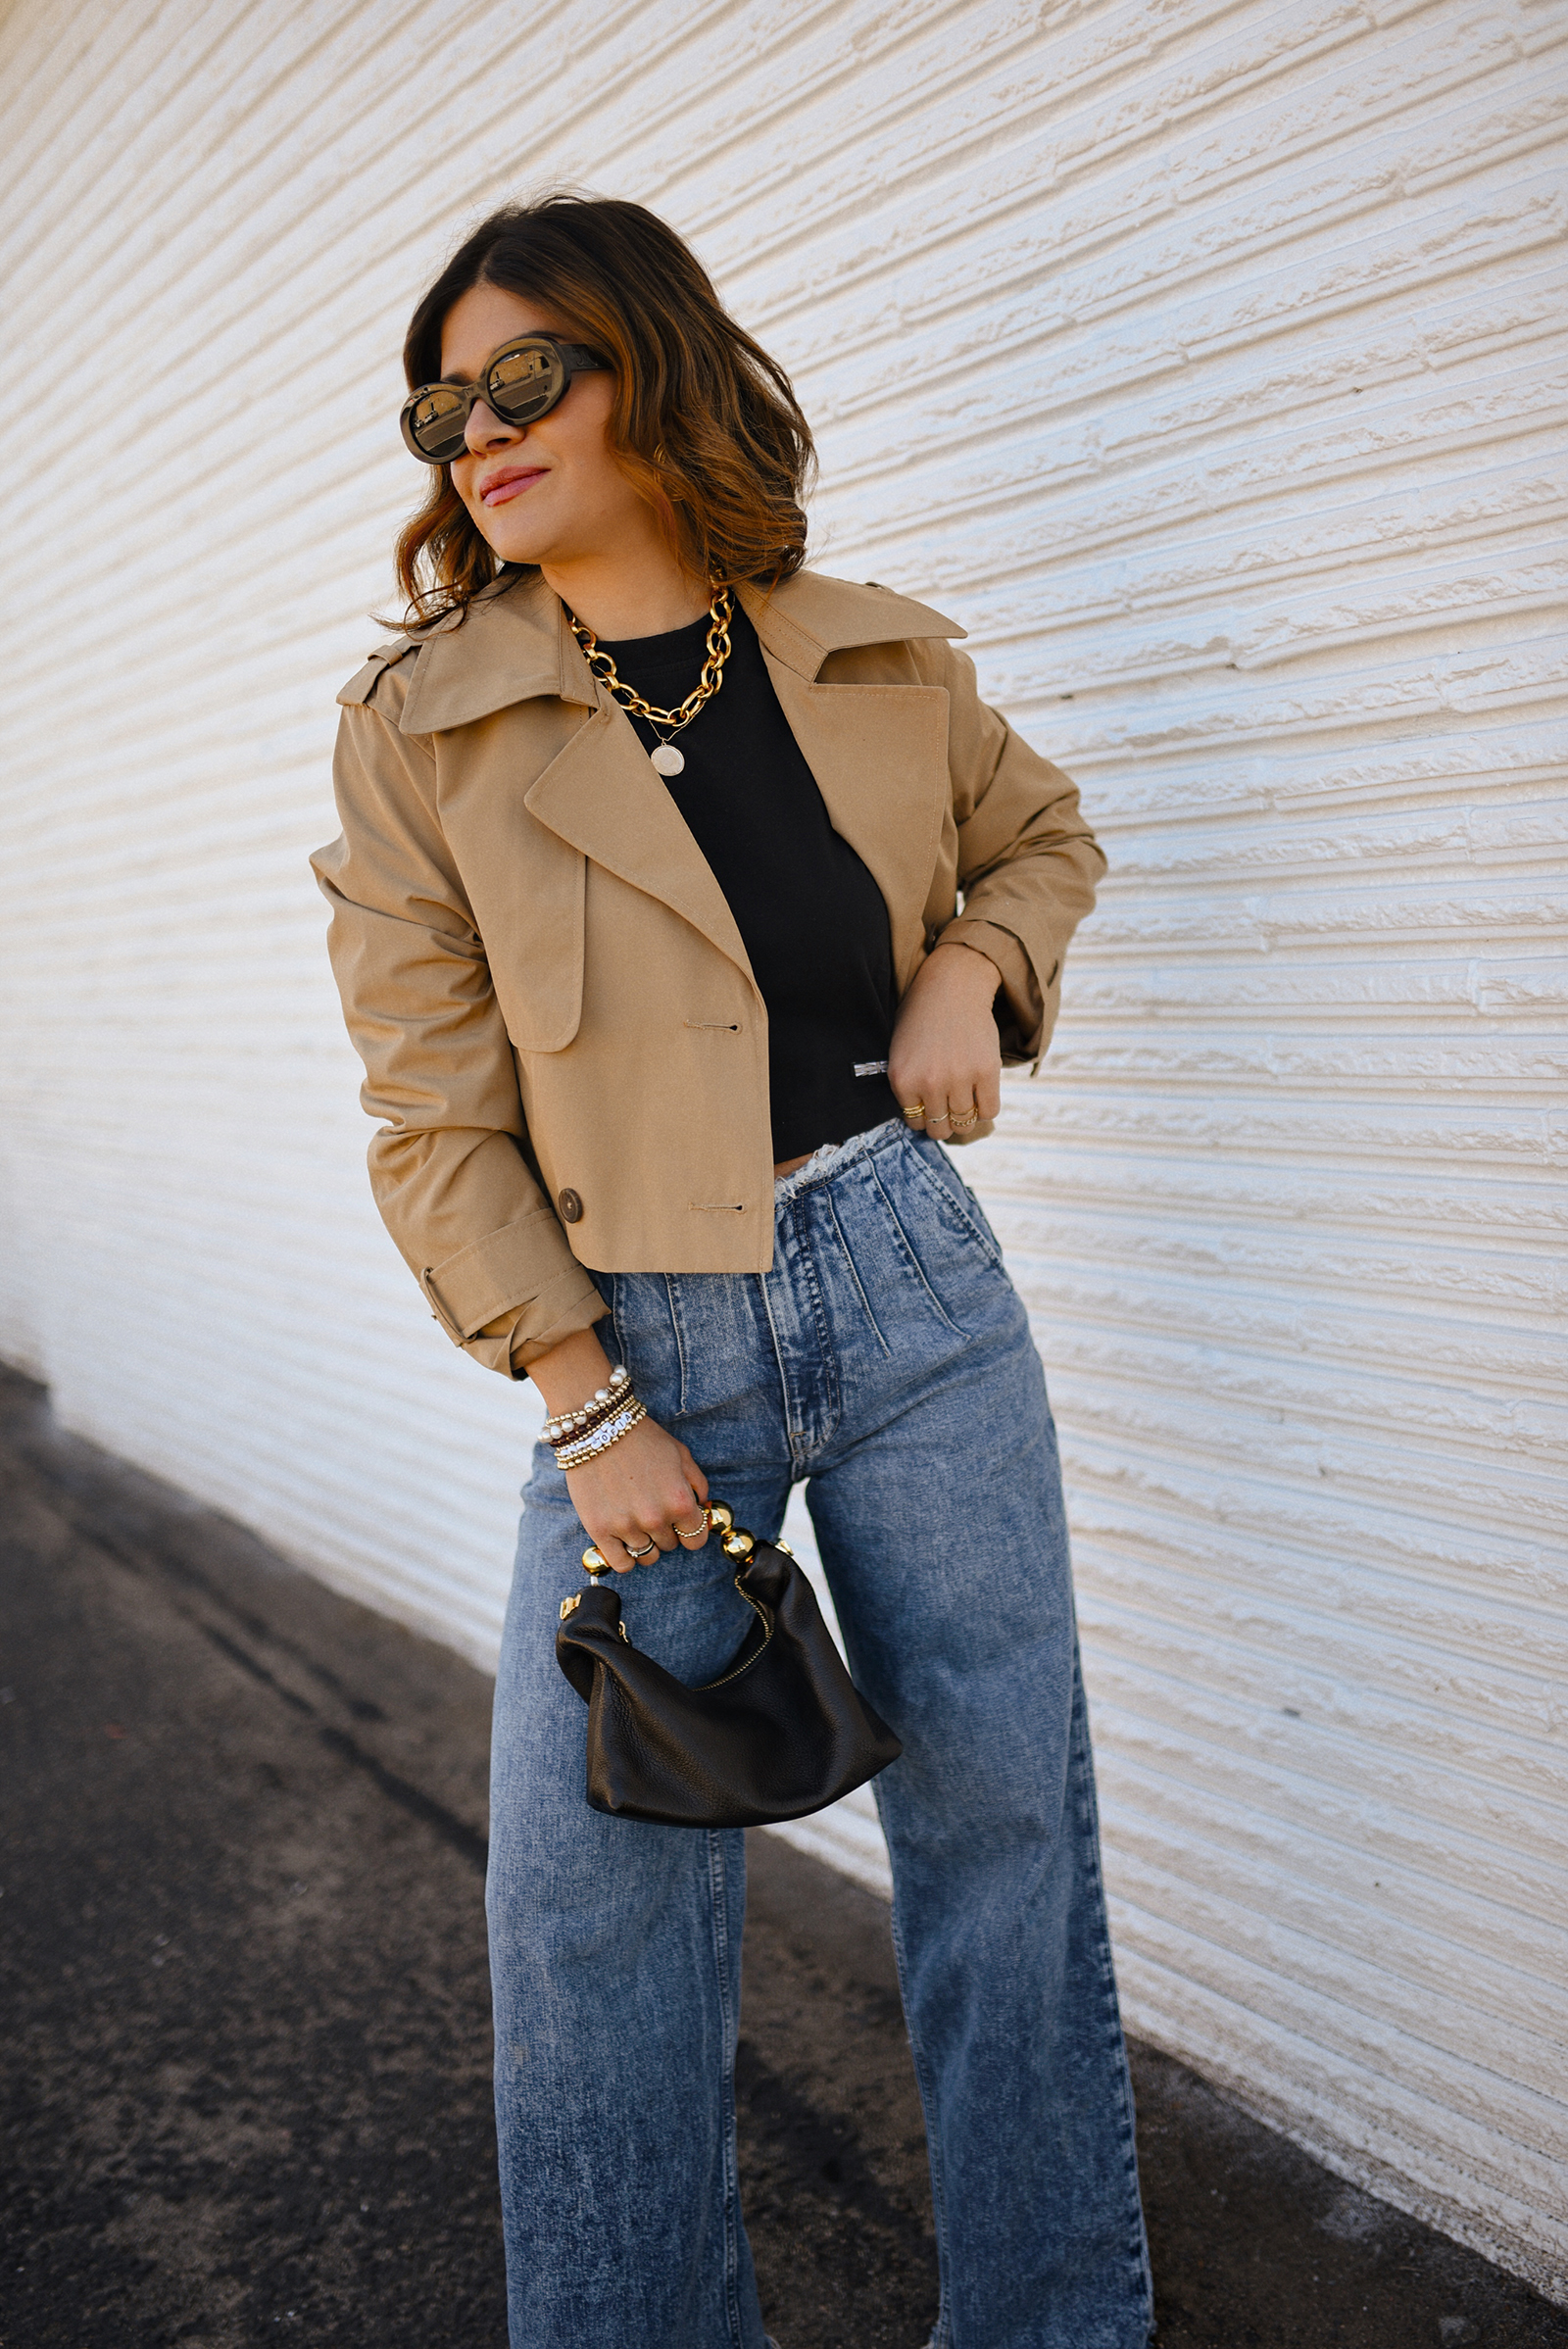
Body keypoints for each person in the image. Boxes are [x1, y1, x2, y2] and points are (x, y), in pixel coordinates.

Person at [312, 193, 1152, 2349]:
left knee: (1002, 1840)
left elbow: (1041, 834)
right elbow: (431, 1109)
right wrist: (584, 1398)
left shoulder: (875, 651)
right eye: (444, 402)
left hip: (907, 1280)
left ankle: (1052, 2323)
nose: (477, 432)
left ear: (649, 367)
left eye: (526, 376)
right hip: (638, 1339)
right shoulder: (426, 725)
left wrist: (977, 961)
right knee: (596, 1908)